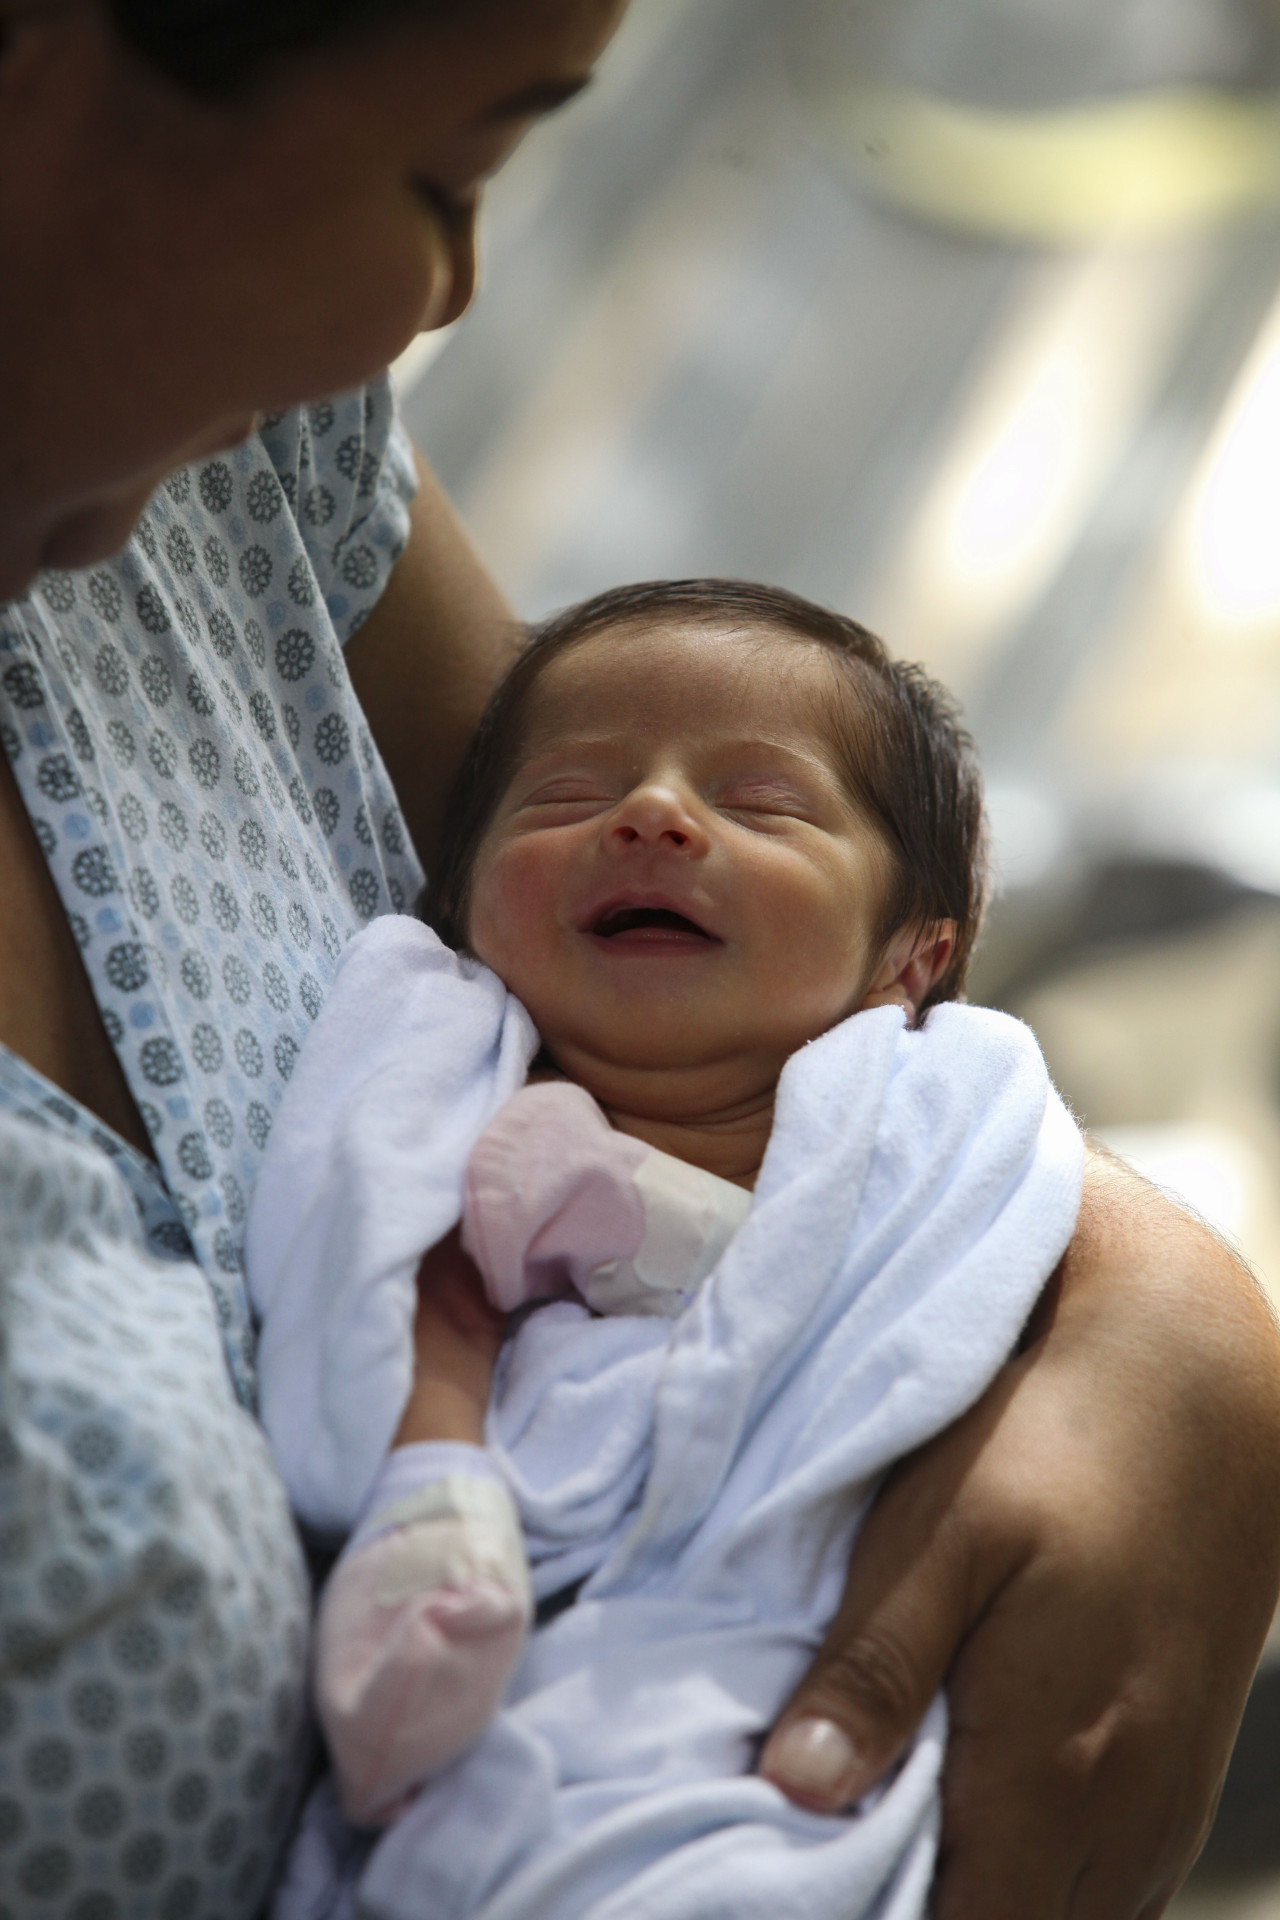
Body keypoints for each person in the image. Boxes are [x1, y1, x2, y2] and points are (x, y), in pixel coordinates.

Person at [0, 2, 1277, 1916]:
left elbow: (766, 1000)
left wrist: (1177, 1331)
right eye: (445, 175)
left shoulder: (231, 467)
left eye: (752, 802)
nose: (440, 301)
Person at [246, 580, 1086, 1919]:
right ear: (464, 900)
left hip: (761, 1698)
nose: (650, 814)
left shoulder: (936, 1127)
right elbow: (394, 1304)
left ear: (915, 957)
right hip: (494, 1664)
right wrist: (436, 1499)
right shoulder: (442, 1100)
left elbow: (963, 1328)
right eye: (568, 795)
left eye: (760, 805)